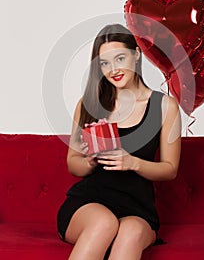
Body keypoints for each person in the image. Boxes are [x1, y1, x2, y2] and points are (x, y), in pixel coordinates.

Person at [57, 23, 181, 260]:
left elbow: (170, 169)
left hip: (137, 209)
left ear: (136, 55)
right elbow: (73, 164)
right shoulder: (88, 104)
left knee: (130, 231)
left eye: (120, 58)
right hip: (88, 205)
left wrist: (131, 162)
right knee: (104, 223)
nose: (113, 69)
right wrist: (91, 160)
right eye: (104, 63)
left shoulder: (165, 107)